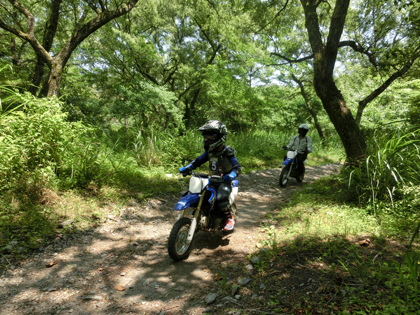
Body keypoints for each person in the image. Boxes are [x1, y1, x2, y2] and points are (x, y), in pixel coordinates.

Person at [179, 120, 242, 231]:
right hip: (211, 181)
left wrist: (232, 174)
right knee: (199, 197)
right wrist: (188, 168)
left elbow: (237, 167)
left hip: (224, 181)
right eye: (205, 137)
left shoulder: (227, 152)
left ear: (220, 137)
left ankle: (230, 218)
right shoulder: (209, 152)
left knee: (221, 200)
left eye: (211, 137)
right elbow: (197, 161)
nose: (207, 140)